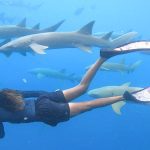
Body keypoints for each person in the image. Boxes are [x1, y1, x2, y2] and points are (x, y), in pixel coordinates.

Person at [0, 41, 150, 139]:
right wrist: (46, 95)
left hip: (44, 111)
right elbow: (27, 93)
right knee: (82, 87)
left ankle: (124, 97)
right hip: (42, 99)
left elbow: (1, 135)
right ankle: (104, 57)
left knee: (89, 105)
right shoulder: (2, 94)